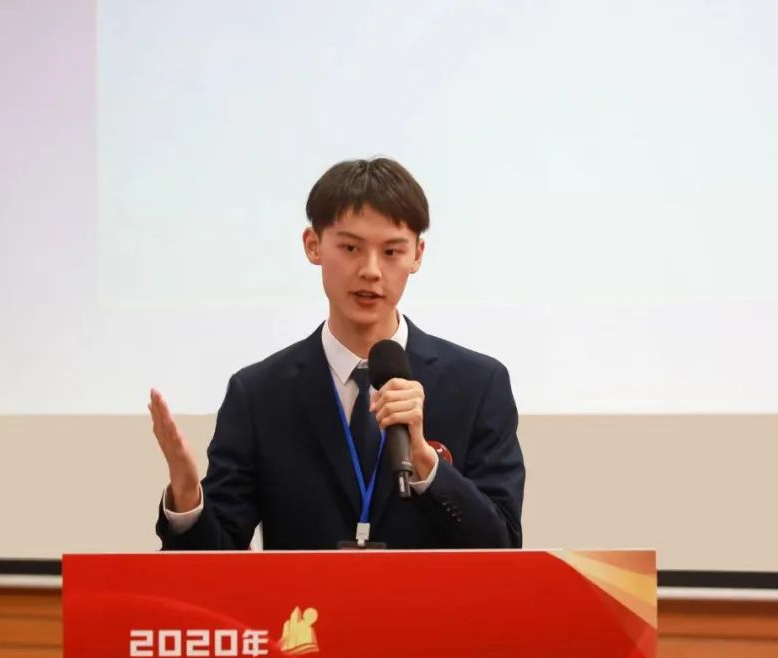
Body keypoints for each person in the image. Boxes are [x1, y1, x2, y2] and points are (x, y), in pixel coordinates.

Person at [149, 157, 524, 550]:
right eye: (350, 248)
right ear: (313, 245)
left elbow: (504, 544)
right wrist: (188, 498)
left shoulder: (478, 385)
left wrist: (427, 464)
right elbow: (215, 559)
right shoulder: (259, 394)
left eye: (392, 252)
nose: (371, 271)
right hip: (304, 596)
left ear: (417, 255)